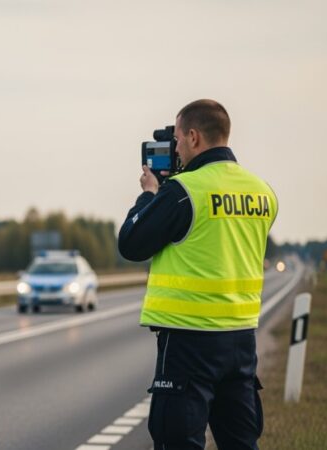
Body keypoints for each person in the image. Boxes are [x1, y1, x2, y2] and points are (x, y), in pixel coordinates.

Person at [118, 99, 278, 450]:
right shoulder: (262, 192)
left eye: (176, 139)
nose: (174, 148)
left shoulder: (184, 191)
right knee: (240, 442)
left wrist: (149, 195)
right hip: (240, 341)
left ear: (193, 137)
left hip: (189, 342)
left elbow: (131, 243)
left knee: (178, 441)